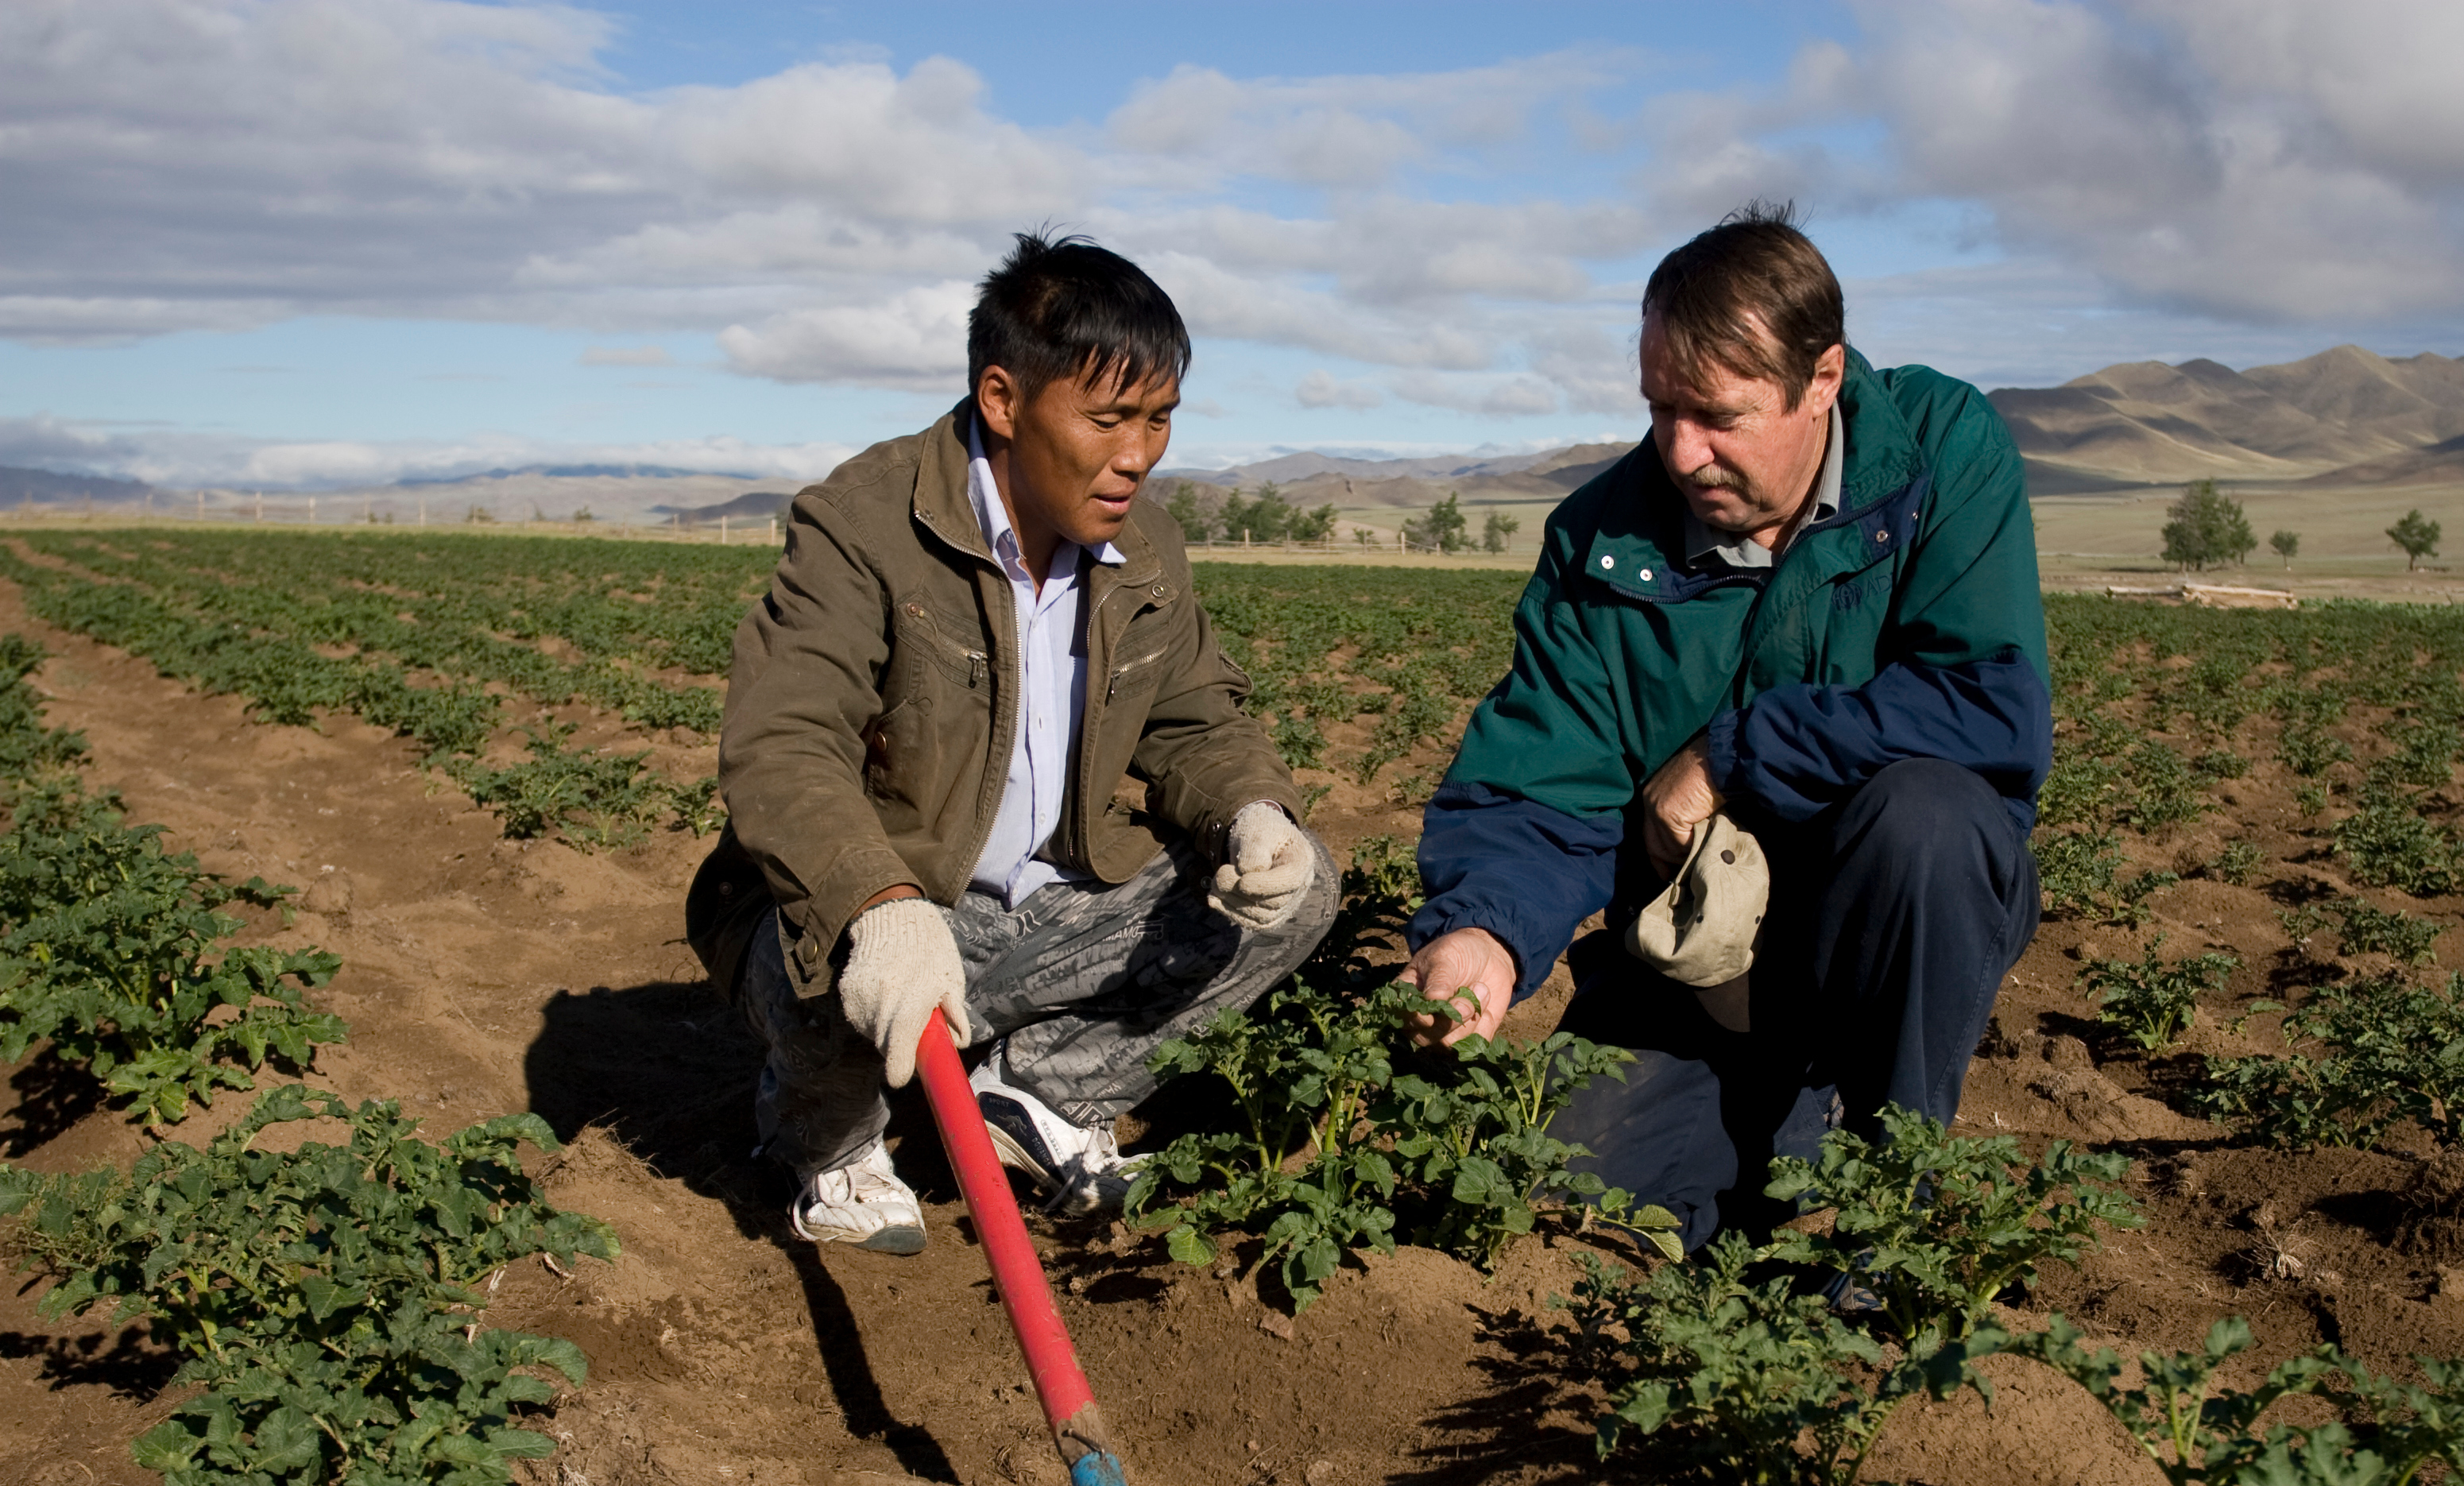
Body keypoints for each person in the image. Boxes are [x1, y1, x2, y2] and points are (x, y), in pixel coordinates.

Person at [1394, 203, 2048, 1253]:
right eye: (1659, 409)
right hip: (1691, 966)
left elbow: (1989, 710)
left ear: (1821, 381)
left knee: (1925, 816)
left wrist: (1733, 754)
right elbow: (1540, 784)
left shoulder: (1937, 457)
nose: (1681, 450)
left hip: (1884, 947)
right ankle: (1754, 1132)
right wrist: (1486, 933)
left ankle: (1885, 1179)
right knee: (1554, 1231)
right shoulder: (1603, 538)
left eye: (1719, 416)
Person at [688, 232, 1336, 1255]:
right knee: (832, 945)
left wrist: (1250, 807)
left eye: (1160, 418)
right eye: (1110, 416)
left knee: (1297, 889)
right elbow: (785, 740)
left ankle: (1038, 1092)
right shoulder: (866, 524)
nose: (1138, 453)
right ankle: (834, 1143)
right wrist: (878, 901)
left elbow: (1197, 716)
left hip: (1035, 906)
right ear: (1003, 399)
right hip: (885, 910)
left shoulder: (1144, 545)